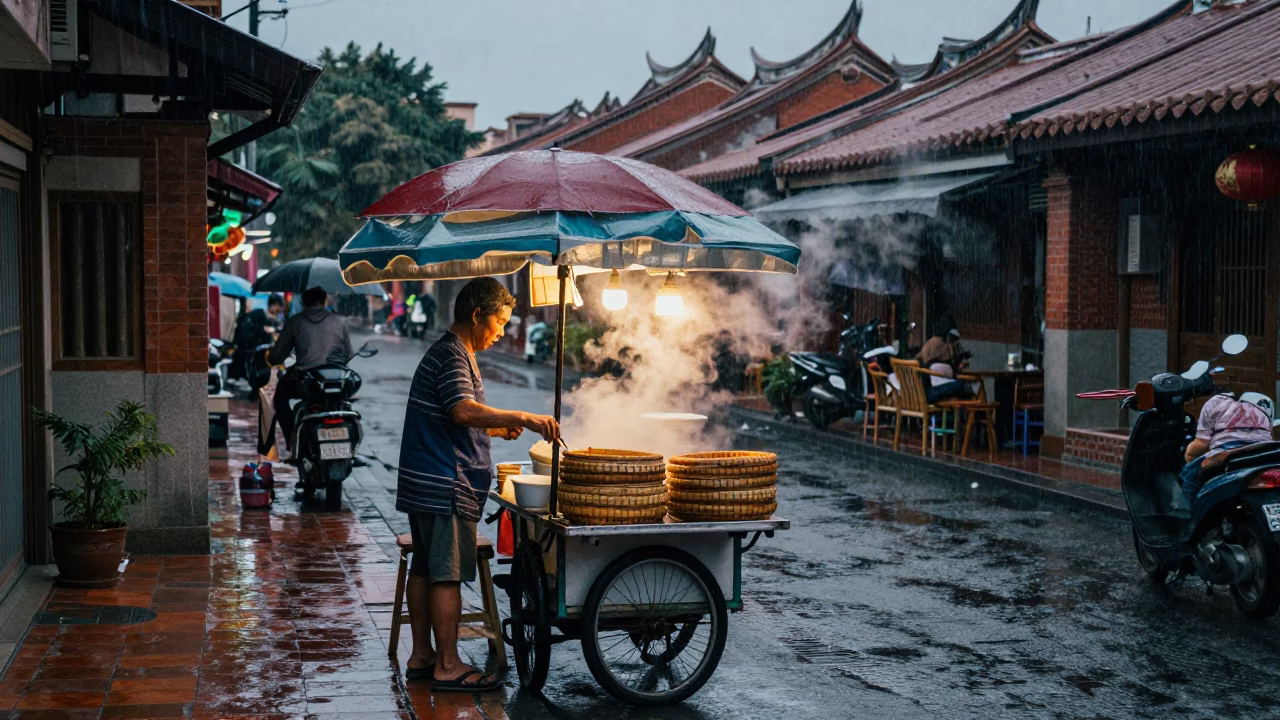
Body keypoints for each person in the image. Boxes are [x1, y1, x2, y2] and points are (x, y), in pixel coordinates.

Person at [397, 277, 558, 692]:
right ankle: (448, 666)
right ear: (476, 315)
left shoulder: (454, 351)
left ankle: (421, 656)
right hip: (444, 482)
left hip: (426, 479)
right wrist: (521, 418)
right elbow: (462, 411)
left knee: (424, 567)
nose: (502, 331)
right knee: (446, 574)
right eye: (499, 321)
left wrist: (497, 430)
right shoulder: (452, 354)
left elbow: (459, 416)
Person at [268, 287, 352, 454]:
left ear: (303, 302)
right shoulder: (340, 322)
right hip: (336, 380)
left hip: (306, 382)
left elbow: (276, 357)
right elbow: (348, 355)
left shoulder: (295, 322)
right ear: (324, 300)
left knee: (279, 398)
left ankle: (293, 441)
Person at [1181, 392, 1275, 503]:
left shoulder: (1214, 403)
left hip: (1229, 449)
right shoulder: (1262, 405)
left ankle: (1192, 517)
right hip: (1262, 450)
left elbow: (1202, 443)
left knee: (1188, 476)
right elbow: (1270, 436)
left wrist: (1189, 454)